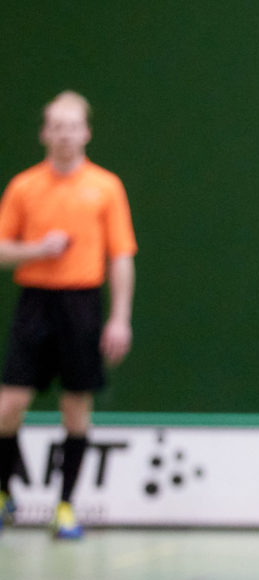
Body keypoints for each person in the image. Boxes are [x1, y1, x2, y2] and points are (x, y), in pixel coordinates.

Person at [0, 91, 136, 539]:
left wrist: (119, 318)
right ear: (44, 133)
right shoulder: (24, 186)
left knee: (76, 409)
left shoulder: (106, 186)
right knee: (8, 407)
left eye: (72, 126)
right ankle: (5, 494)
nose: (64, 134)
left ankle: (65, 507)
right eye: (55, 126)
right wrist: (38, 249)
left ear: (86, 133)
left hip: (82, 304)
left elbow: (121, 256)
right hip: (35, 303)